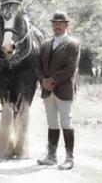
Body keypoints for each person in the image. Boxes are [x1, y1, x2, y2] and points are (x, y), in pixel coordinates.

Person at [36, 11, 81, 170]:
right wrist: (42, 80)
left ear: (66, 25)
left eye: (61, 23)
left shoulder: (73, 44)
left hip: (64, 89)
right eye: (55, 23)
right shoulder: (45, 44)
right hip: (47, 90)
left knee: (66, 122)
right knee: (52, 122)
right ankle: (51, 156)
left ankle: (69, 158)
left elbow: (71, 68)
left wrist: (52, 80)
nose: (57, 26)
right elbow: (38, 66)